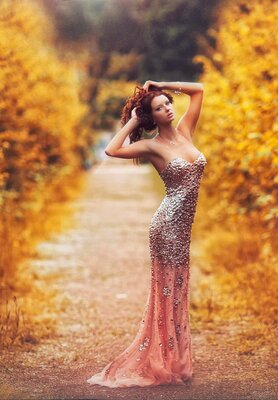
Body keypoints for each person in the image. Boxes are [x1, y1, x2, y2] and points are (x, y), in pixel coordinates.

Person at [86, 80, 207, 388]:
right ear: (151, 117)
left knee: (178, 291)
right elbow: (112, 150)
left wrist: (163, 85)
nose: (167, 108)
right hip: (166, 227)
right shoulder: (152, 146)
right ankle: (164, 362)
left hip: (183, 228)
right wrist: (132, 123)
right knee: (167, 292)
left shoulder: (185, 130)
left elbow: (199, 89)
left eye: (168, 103)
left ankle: (173, 360)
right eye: (159, 107)